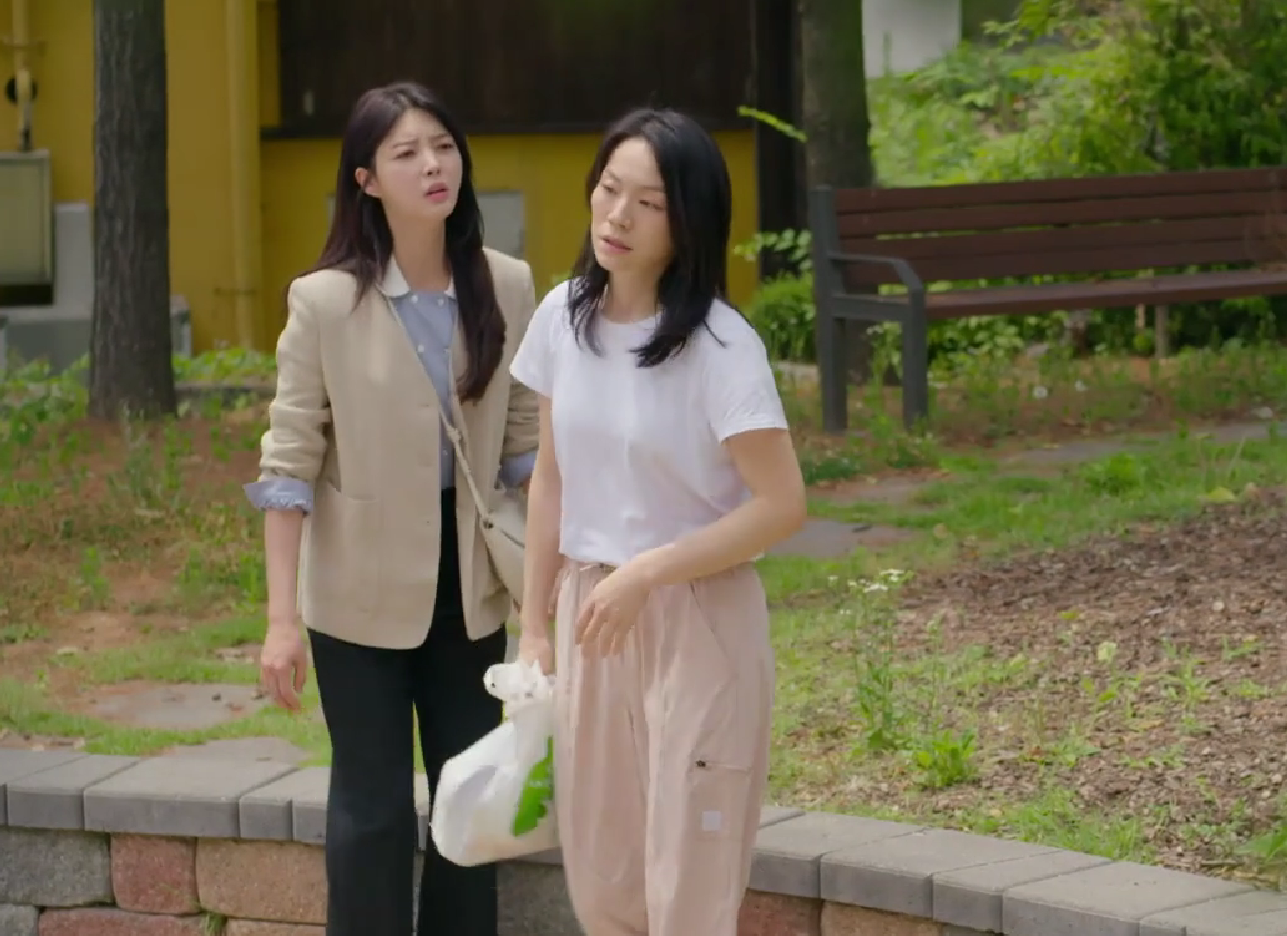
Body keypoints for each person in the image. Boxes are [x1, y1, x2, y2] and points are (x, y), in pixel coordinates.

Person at [245, 81, 538, 936]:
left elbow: (526, 448)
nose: (432, 165)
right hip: (356, 593)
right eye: (406, 153)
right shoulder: (324, 301)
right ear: (366, 181)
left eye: (443, 146)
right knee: (370, 812)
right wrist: (279, 621)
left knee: (468, 803)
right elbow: (288, 463)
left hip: (472, 582)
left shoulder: (507, 284)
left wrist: (553, 580)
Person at [510, 108, 808, 936]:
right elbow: (550, 481)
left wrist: (649, 571)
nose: (617, 216)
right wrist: (532, 629)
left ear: (689, 222)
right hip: (591, 614)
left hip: (697, 614)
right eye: (609, 189)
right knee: (603, 874)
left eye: (648, 203)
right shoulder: (562, 316)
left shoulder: (721, 347)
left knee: (688, 875)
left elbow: (782, 505)